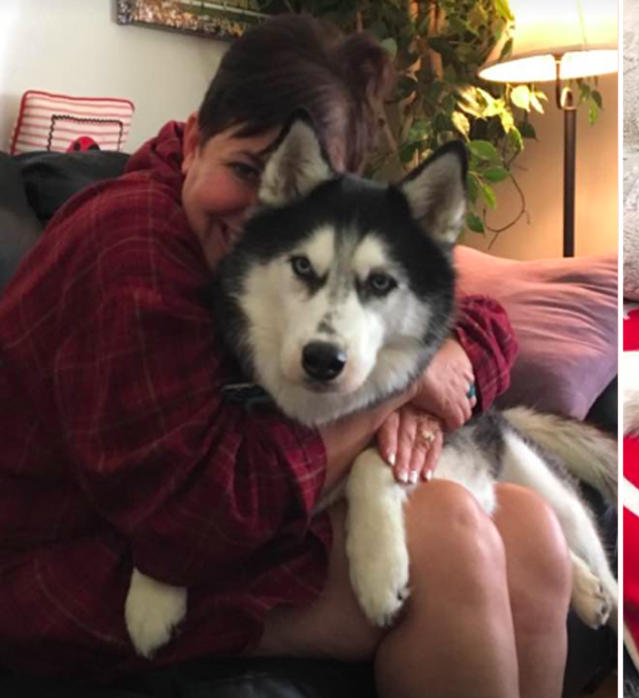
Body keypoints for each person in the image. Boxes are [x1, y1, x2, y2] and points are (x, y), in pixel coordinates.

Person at [0, 14, 572, 698]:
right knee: (450, 545)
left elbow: (473, 317)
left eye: (298, 184)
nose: (268, 213)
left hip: (184, 526)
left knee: (532, 532)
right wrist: (403, 388)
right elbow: (192, 521)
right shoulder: (132, 251)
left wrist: (452, 359)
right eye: (246, 169)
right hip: (66, 568)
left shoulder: (270, 237)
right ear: (194, 139)